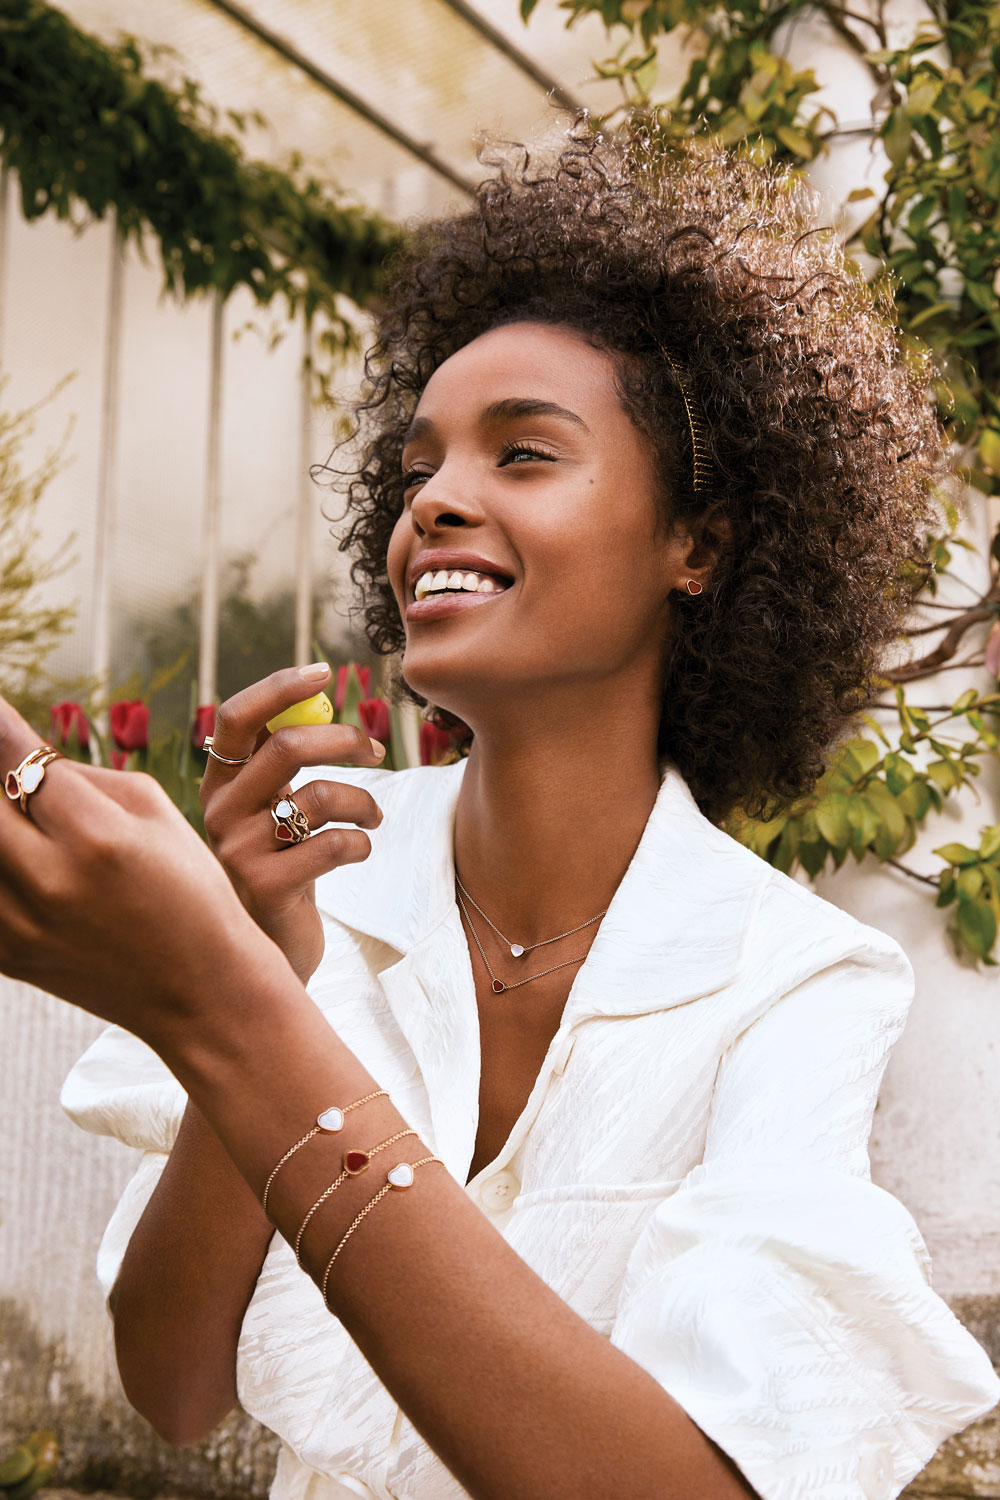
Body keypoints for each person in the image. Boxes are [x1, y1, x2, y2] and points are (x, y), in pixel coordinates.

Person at [2, 124, 998, 1500]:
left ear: (695, 546)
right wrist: (272, 970)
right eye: (418, 468)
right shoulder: (310, 881)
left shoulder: (800, 981)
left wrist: (229, 1006)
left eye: (524, 455)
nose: (437, 502)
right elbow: (174, 1388)